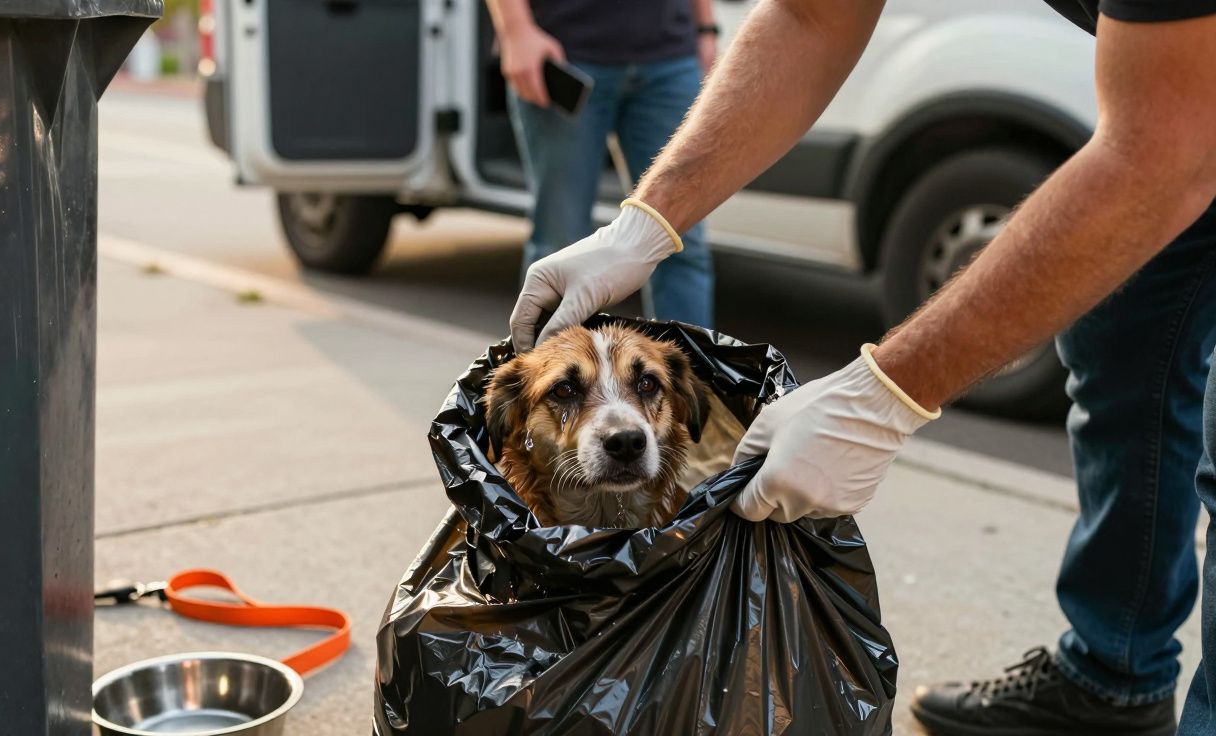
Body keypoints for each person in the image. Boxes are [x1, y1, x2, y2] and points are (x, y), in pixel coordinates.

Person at [507, 1, 1216, 733]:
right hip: (1185, 98)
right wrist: (643, 225)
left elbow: (1164, 151)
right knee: (1122, 342)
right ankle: (1112, 679)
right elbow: (812, 17)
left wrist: (887, 395)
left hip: (1181, 120)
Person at [485, 0, 716, 329]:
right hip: (565, 53)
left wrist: (705, 29)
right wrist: (515, 30)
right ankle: (551, 376)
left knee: (680, 242)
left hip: (671, 58)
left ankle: (691, 377)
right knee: (559, 241)